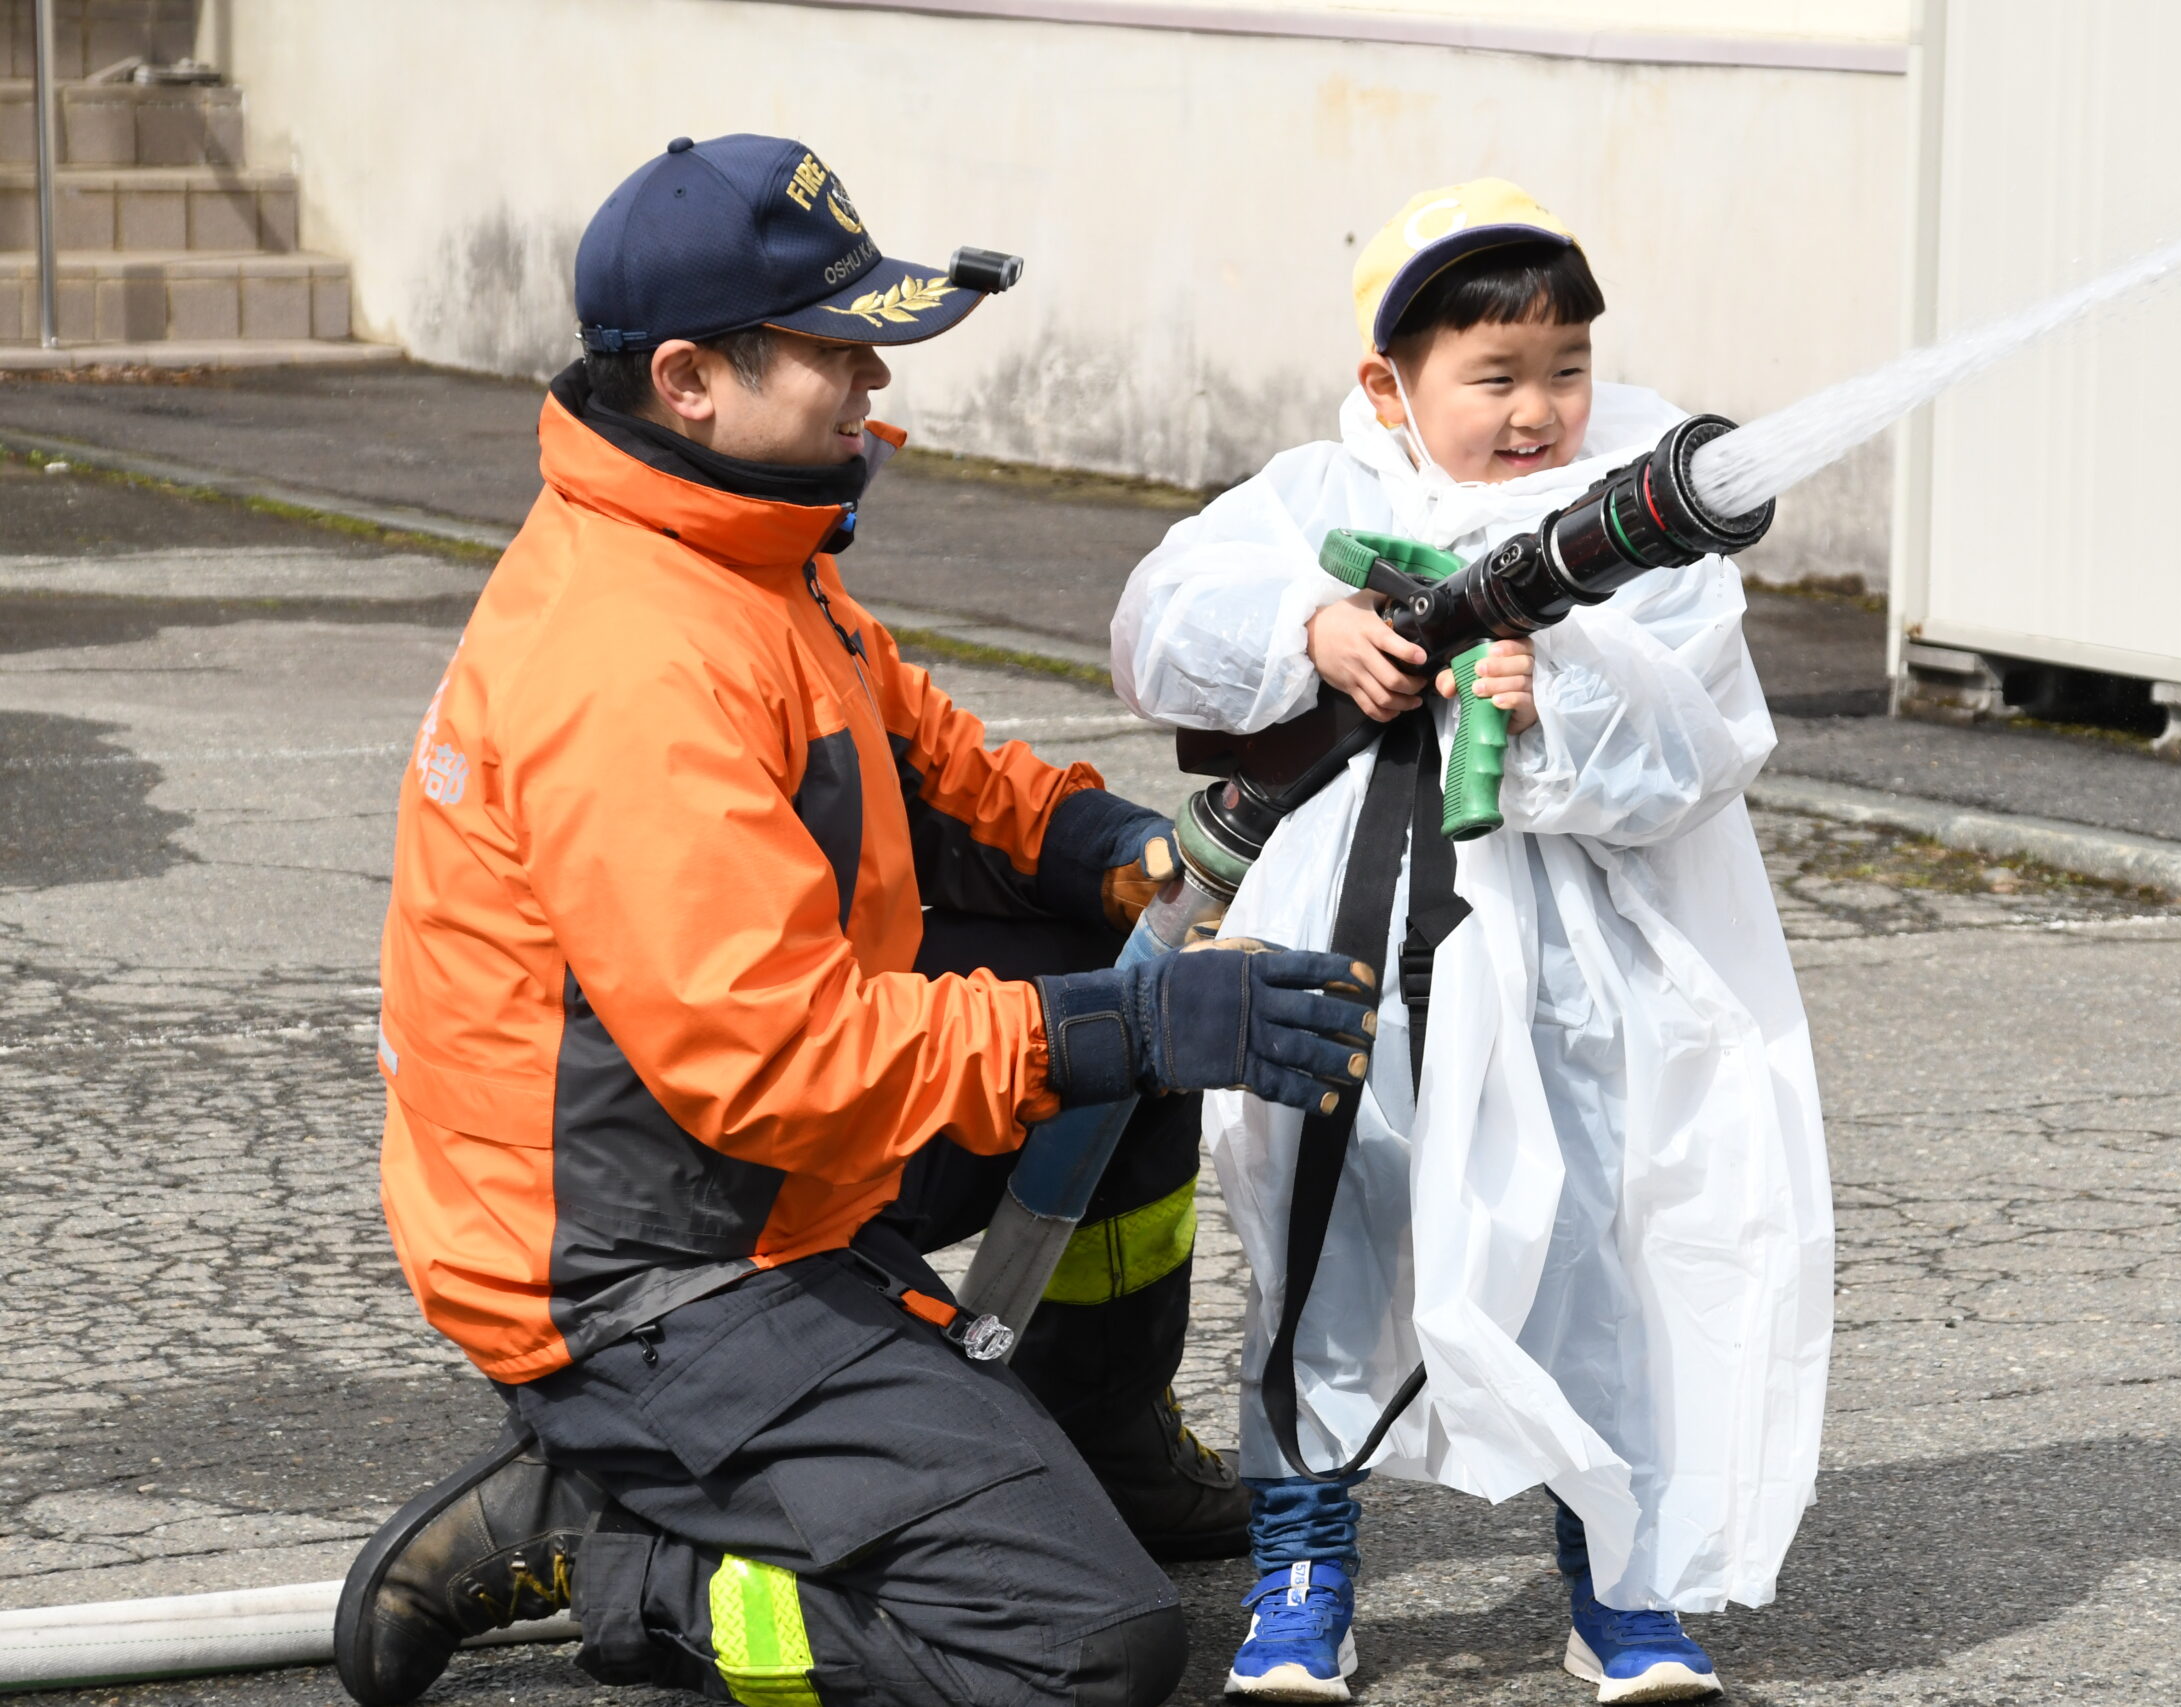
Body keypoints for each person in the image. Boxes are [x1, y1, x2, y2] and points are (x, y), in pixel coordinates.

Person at [336, 134, 1382, 1707]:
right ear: (690, 376)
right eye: (836, 352)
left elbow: (940, 783)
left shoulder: (748, 557)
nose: (872, 389)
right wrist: (1138, 1019)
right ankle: (618, 1549)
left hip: (736, 1177)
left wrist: (1135, 860)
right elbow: (772, 1055)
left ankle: (1097, 1439)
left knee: (1123, 998)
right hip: (646, 1275)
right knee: (1084, 1655)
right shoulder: (632, 661)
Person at [1112, 181, 1833, 1702]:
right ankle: (1305, 1563)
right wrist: (1309, 625)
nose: (1539, 412)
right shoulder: (1319, 488)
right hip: (1345, 933)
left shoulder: (1649, 507)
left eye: (1563, 367)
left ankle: (1622, 1580)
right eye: (1493, 378)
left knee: (1594, 1244)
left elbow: (1705, 741)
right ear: (1389, 381)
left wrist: (1554, 691)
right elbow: (1163, 615)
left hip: (1576, 963)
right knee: (1321, 1227)